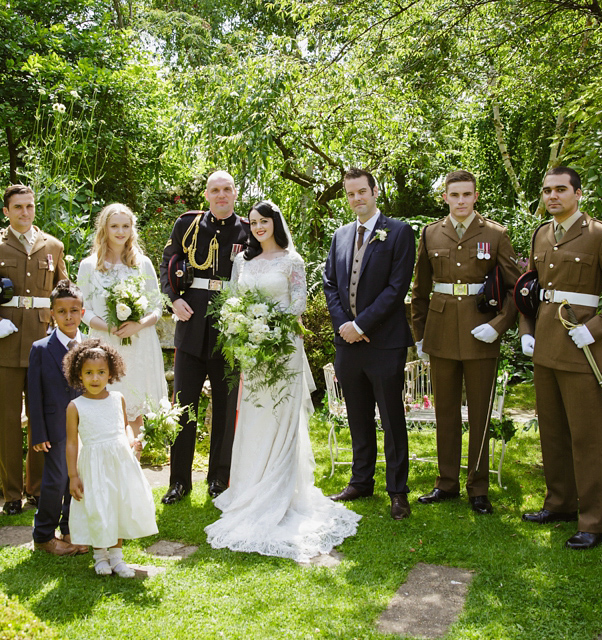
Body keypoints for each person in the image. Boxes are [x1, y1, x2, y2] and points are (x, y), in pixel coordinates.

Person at [205, 201, 361, 562]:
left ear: (276, 223)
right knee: (257, 418)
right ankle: (250, 486)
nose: (258, 228)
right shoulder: (242, 262)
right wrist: (243, 330)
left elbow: (298, 303)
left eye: (265, 221)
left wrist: (271, 330)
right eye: (254, 223)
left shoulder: (292, 261)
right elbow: (231, 300)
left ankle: (282, 492)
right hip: (251, 351)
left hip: (282, 349)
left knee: (282, 418)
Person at [519, 166, 602, 550]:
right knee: (553, 434)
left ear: (578, 194)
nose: (552, 196)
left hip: (581, 349)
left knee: (587, 439)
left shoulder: (600, 235)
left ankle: (593, 522)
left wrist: (597, 328)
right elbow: (528, 290)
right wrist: (526, 332)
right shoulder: (541, 233)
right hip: (546, 348)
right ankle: (558, 504)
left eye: (560, 190)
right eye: (546, 190)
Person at [410, 170, 521, 514]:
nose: (460, 201)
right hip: (441, 332)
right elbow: (420, 289)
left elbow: (517, 286)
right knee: (444, 411)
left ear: (475, 197)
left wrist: (500, 325)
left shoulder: (495, 234)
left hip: (480, 330)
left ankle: (478, 487)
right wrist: (420, 335)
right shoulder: (430, 234)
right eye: (454, 195)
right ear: (445, 197)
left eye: (466, 194)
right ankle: (446, 483)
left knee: (480, 413)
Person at [0, 184, 68, 515]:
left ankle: (35, 489)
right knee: (6, 420)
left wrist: (62, 329)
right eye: (18, 207)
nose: (25, 212)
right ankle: (10, 494)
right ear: (6, 212)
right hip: (3, 343)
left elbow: (63, 291)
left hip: (42, 344)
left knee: (42, 420)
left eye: (30, 206)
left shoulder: (54, 245)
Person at [323, 167, 417, 520]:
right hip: (348, 343)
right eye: (350, 194)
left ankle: (398, 491)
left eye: (362, 191)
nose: (357, 198)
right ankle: (361, 481)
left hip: (385, 342)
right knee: (357, 415)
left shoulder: (399, 232)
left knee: (392, 417)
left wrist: (362, 323)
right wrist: (345, 325)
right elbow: (330, 284)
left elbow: (397, 288)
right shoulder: (340, 236)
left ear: (375, 192)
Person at [158, 170, 251, 504]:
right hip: (192, 323)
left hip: (230, 329)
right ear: (207, 195)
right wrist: (174, 298)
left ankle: (218, 479)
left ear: (235, 193)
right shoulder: (188, 224)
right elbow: (168, 262)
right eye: (215, 190)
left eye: (227, 189)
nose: (221, 195)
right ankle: (179, 481)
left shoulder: (249, 229)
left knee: (225, 411)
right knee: (184, 406)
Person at [77, 203, 168, 452]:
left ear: (132, 229)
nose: (120, 231)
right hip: (105, 343)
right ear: (104, 228)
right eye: (114, 226)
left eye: (125, 226)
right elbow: (83, 310)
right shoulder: (89, 265)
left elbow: (156, 308)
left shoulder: (143, 264)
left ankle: (133, 468)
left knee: (136, 410)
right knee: (107, 406)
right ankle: (107, 464)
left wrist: (136, 325)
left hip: (139, 344)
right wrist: (109, 327)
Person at [65, 339, 158, 577]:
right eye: (88, 373)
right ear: (79, 375)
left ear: (111, 373)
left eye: (101, 372)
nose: (95, 378)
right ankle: (100, 556)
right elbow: (72, 442)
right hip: (94, 465)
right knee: (98, 507)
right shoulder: (75, 407)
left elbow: (125, 426)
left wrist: (131, 441)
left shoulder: (118, 399)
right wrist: (73, 475)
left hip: (118, 463)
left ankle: (117, 557)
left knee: (117, 506)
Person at [27, 280, 90, 556]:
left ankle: (68, 529)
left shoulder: (88, 346)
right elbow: (34, 393)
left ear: (82, 312)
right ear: (52, 313)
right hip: (53, 428)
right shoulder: (41, 348)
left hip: (82, 426)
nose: (68, 317)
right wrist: (38, 433)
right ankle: (43, 535)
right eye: (61, 311)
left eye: (73, 311)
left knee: (75, 478)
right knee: (55, 479)